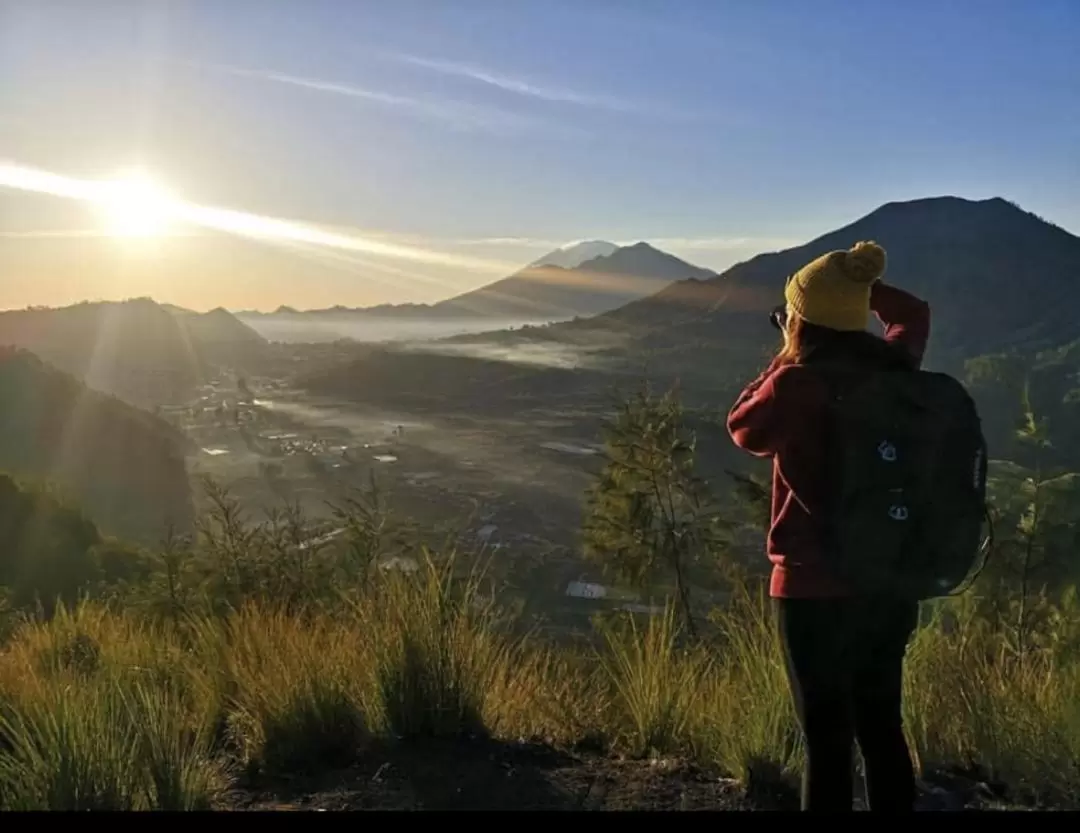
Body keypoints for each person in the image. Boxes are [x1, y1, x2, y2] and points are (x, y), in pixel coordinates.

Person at [726, 240, 931, 813]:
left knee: (828, 742)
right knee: (882, 729)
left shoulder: (794, 384)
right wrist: (861, 288)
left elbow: (742, 426)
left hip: (813, 589)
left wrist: (785, 352)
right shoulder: (896, 365)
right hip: (888, 580)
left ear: (802, 320)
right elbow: (913, 314)